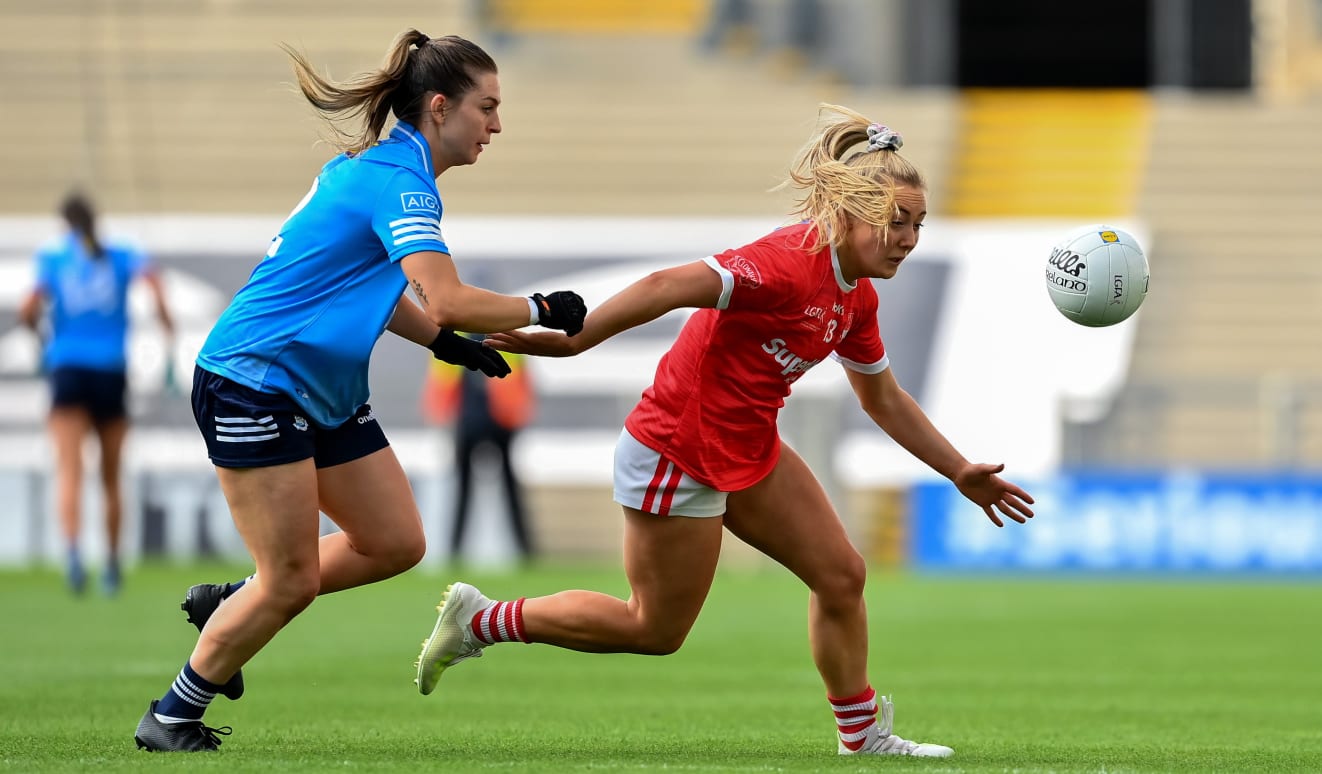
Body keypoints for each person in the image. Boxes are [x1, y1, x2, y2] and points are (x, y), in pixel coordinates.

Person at [414, 104, 1036, 759]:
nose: (908, 239)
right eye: (894, 222)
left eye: (917, 224)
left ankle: (862, 737)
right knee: (653, 628)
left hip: (749, 448)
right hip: (676, 450)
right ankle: (482, 620)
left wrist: (959, 469)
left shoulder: (857, 298)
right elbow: (669, 283)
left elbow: (883, 398)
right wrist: (576, 340)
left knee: (841, 575)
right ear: (849, 217)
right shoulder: (787, 265)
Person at [132, 29, 587, 753]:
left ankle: (232, 603)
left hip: (319, 389)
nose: (497, 126)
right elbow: (447, 297)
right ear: (439, 107)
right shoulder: (398, 182)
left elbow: (380, 290)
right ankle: (173, 714)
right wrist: (540, 309)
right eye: (487, 108)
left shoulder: (382, 170)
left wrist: (443, 346)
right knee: (289, 581)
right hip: (257, 382)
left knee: (396, 542)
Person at [18, 192, 175, 597]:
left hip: (67, 368)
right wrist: (168, 335)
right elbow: (155, 286)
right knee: (110, 477)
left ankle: (72, 554)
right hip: (110, 371)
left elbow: (28, 307)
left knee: (69, 470)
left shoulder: (54, 259)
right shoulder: (120, 254)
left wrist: (39, 340)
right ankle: (109, 563)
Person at [422, 332, 537, 562]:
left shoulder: (453, 337)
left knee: (494, 488)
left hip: (494, 420)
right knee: (478, 489)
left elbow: (521, 381)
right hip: (476, 421)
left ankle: (523, 551)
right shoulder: (498, 336)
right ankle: (457, 551)